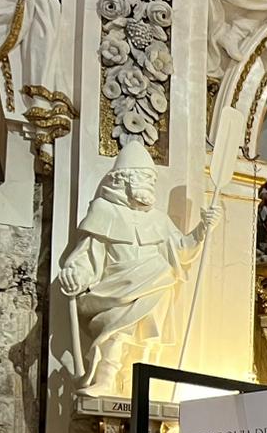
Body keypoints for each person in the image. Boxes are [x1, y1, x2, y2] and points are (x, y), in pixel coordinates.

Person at [57, 142, 221, 395]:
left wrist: (202, 230)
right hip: (117, 287)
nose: (150, 184)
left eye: (152, 179)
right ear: (125, 178)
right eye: (145, 177)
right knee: (116, 331)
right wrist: (74, 275)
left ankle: (140, 387)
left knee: (148, 335)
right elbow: (89, 255)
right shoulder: (104, 212)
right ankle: (106, 381)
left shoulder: (158, 219)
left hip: (157, 283)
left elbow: (181, 249)